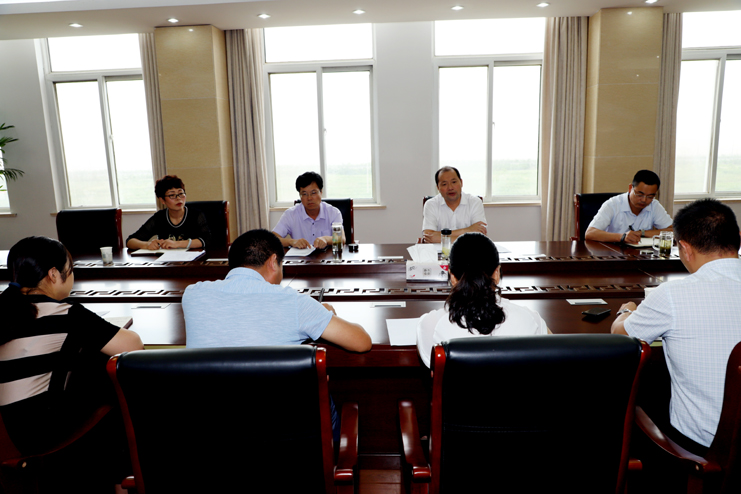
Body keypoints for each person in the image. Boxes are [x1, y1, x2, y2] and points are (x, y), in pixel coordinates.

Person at [0, 236, 143, 491]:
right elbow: (133, 346)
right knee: (112, 375)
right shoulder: (66, 313)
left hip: (6, 433)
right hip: (34, 437)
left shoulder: (5, 309)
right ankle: (125, 479)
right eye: (71, 269)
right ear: (54, 274)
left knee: (85, 362)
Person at [612, 198, 741, 454]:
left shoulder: (673, 294)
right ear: (738, 237)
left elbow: (621, 335)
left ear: (684, 247)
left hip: (705, 449)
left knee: (639, 397)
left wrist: (627, 311)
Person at [417, 233, 550, 367]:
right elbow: (557, 355)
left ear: (452, 277)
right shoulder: (531, 320)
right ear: (497, 273)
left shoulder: (431, 325)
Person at [585, 169, 673, 244]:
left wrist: (642, 233)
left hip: (642, 254)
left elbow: (673, 231)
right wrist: (622, 237)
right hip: (612, 252)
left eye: (650, 196)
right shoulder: (612, 204)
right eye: (640, 195)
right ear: (630, 188)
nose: (644, 200)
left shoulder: (654, 205)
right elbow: (590, 233)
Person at [126, 175, 212, 250]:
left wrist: (177, 244)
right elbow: (130, 241)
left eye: (181, 193)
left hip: (194, 260)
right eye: (172, 195)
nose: (178, 198)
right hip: (168, 261)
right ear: (162, 200)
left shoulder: (195, 215)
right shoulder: (159, 217)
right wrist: (147, 245)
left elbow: (208, 240)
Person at [273, 171, 345, 249]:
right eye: (304, 194)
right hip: (300, 256)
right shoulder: (290, 214)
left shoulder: (333, 212)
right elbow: (272, 239)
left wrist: (326, 239)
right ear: (300, 195)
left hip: (327, 256)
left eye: (313, 193)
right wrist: (291, 242)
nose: (309, 198)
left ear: (321, 192)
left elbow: (341, 238)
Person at [422, 166, 487, 243]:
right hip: (440, 251)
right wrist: (468, 230)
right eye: (444, 184)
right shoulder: (431, 204)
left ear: (461, 182)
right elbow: (428, 236)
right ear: (438, 188)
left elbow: (479, 236)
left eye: (454, 182)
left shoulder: (475, 202)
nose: (450, 187)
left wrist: (441, 237)